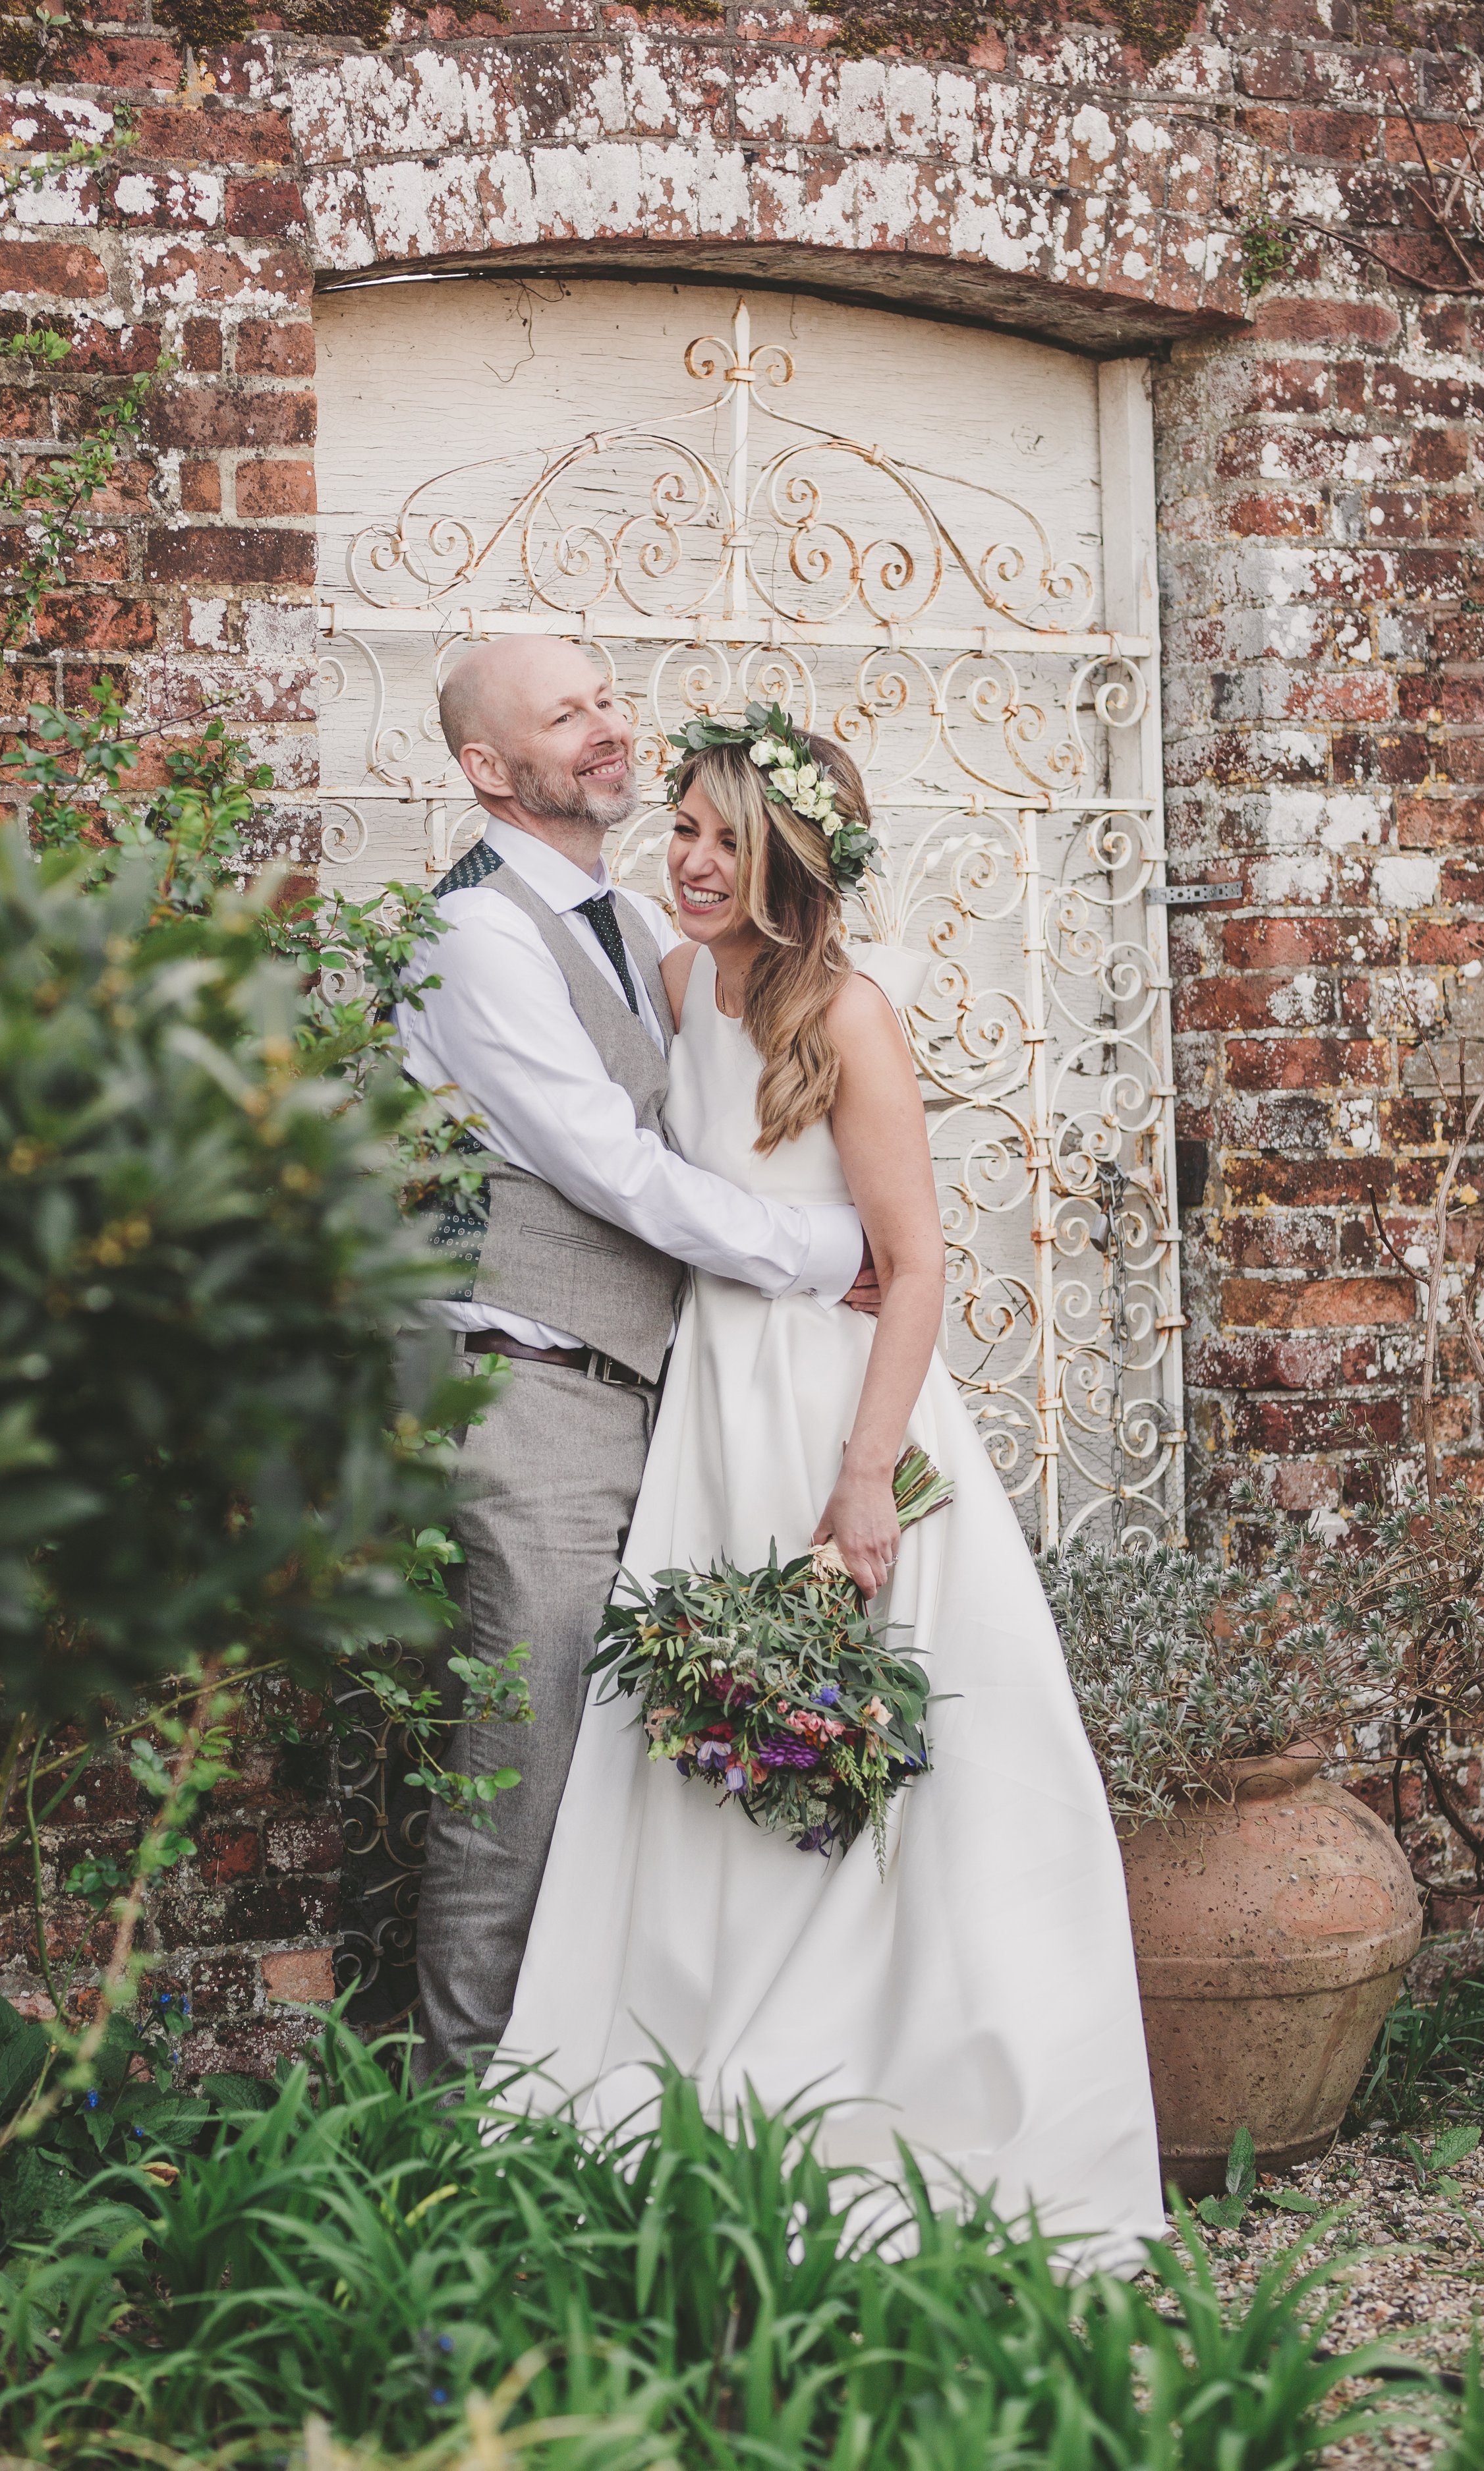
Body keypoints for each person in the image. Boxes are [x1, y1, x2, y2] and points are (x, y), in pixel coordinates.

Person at [492, 717, 1166, 2267]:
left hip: (835, 1415)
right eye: (678, 830)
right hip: (706, 1415)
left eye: (723, 837)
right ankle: (698, 2053)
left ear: (795, 853)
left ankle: (897, 2074)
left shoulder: (848, 1015)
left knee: (893, 1739)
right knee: (704, 1729)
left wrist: (865, 1482)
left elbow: (917, 1260)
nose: (690, 861)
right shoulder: (671, 987)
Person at [405, 637, 878, 2082]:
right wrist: (824, 1252)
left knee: (624, 1782)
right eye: (567, 717)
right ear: (488, 769)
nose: (610, 733)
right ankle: (451, 2145)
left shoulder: (620, 920)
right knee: (521, 1773)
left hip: (654, 1403)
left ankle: (587, 2092)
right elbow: (608, 1166)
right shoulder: (478, 934)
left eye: (608, 702)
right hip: (530, 1396)